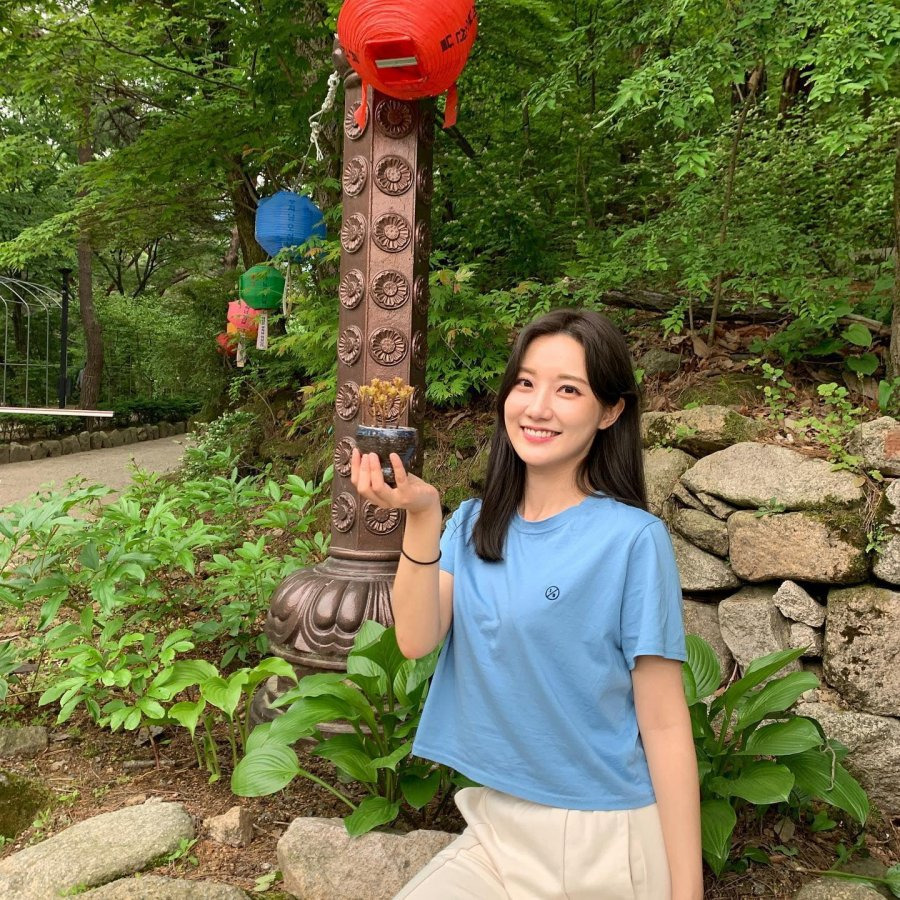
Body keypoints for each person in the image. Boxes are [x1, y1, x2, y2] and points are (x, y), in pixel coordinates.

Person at [350, 309, 702, 900]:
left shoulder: (632, 540)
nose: (538, 407)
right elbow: (414, 638)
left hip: (603, 839)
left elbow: (665, 723)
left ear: (610, 411)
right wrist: (422, 515)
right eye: (526, 382)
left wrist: (687, 892)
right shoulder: (470, 525)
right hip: (497, 830)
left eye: (569, 390)